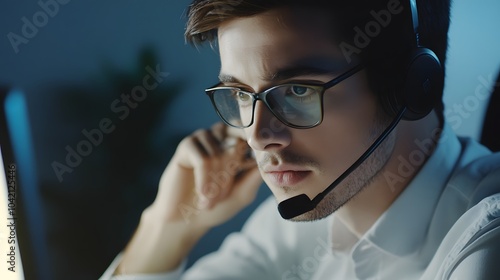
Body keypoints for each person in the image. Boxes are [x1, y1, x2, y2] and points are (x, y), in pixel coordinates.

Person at [100, 0, 500, 279]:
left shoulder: (485, 240)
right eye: (241, 94)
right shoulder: (300, 221)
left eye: (297, 92)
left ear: (410, 86)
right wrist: (168, 225)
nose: (256, 136)